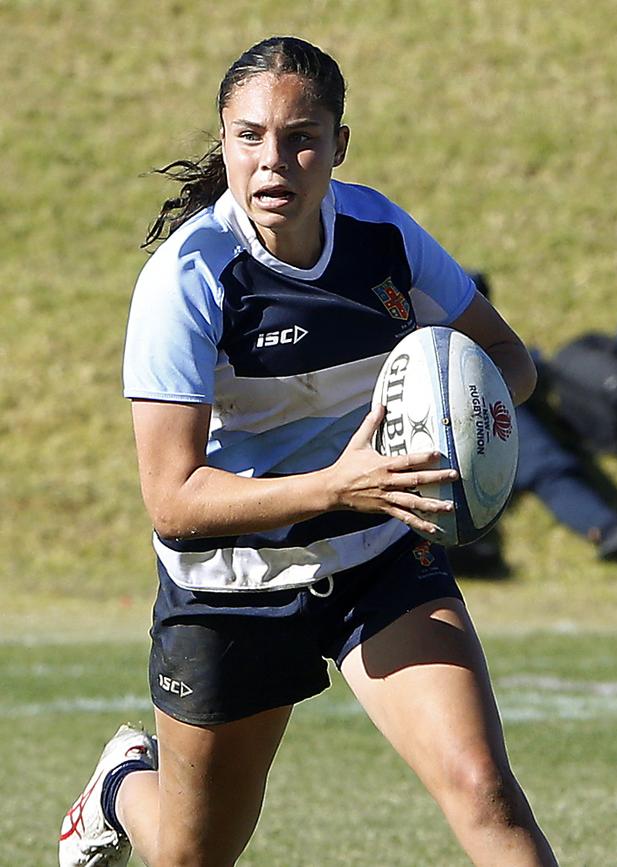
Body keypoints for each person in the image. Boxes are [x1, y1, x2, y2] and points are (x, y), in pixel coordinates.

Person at [59, 37, 559, 867]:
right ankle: (119, 784)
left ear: (338, 146)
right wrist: (339, 485)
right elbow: (173, 501)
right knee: (190, 854)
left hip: (380, 559)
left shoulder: (380, 233)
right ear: (224, 143)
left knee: (486, 790)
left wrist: (457, 420)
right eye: (249, 136)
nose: (273, 160)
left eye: (300, 136)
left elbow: (513, 363)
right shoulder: (188, 279)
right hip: (233, 587)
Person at [448, 274, 617, 578]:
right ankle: (603, 525)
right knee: (538, 457)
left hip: (469, 378)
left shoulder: (408, 257)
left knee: (524, 437)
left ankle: (603, 525)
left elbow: (465, 285)